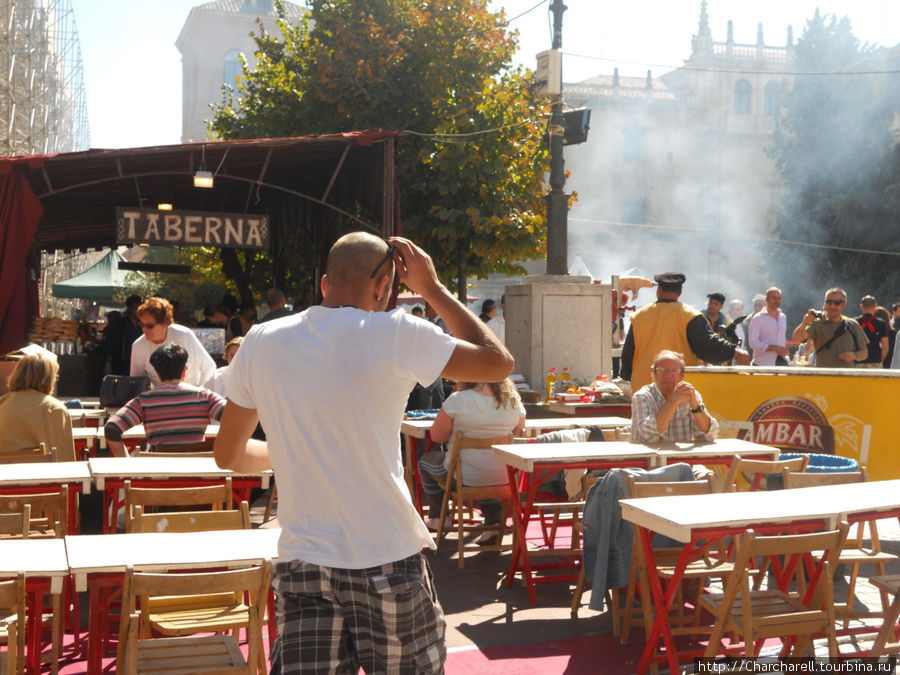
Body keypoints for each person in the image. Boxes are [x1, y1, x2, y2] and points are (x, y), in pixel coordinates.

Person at [213, 232, 513, 673]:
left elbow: (229, 456)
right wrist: (432, 288)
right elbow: (498, 363)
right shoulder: (396, 332)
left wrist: (303, 449)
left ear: (323, 284)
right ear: (384, 288)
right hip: (386, 554)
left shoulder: (260, 339)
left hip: (304, 561)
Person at [418, 379, 525, 537]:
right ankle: (493, 521)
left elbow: (437, 437)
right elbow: (519, 431)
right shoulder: (513, 398)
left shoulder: (458, 399)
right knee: (486, 465)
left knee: (425, 461)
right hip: (504, 477)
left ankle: (438, 517)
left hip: (465, 478)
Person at [619, 272, 749, 392]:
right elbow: (708, 347)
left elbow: (628, 355)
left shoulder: (639, 316)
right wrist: (734, 352)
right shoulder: (690, 315)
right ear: (680, 292)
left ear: (659, 291)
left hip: (644, 389)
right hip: (678, 390)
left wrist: (626, 377)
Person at [107, 343, 225, 456]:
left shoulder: (144, 400)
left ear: (158, 373)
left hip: (157, 472)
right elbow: (236, 417)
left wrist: (124, 459)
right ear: (185, 370)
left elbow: (112, 428)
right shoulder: (205, 397)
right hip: (200, 470)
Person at [0, 352, 76, 461]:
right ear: (49, 379)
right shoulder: (55, 409)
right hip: (39, 475)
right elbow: (65, 461)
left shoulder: (2, 403)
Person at [630, 350, 718, 443]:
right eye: (662, 370)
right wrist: (673, 401)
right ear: (654, 374)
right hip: (649, 456)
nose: (667, 375)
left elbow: (709, 436)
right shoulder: (642, 396)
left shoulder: (689, 394)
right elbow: (648, 436)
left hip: (680, 457)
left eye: (674, 371)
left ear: (682, 375)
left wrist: (695, 405)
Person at [129, 296, 217, 388]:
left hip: (193, 396)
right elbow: (136, 383)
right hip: (161, 399)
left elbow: (209, 367)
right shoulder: (138, 346)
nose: (144, 329)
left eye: (150, 326)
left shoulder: (184, 335)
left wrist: (200, 394)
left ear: (165, 323)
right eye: (142, 324)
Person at [791, 287, 867, 368]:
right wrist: (804, 323)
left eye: (837, 303)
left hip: (846, 378)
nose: (832, 306)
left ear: (844, 304)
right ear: (824, 303)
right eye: (829, 302)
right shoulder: (816, 323)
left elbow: (865, 353)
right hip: (823, 377)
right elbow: (796, 339)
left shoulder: (852, 324)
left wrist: (854, 355)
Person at [748, 287, 789, 366]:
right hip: (763, 364)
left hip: (781, 362)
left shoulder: (783, 317)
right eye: (774, 298)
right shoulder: (757, 318)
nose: (777, 301)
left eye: (779, 298)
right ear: (766, 299)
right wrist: (773, 348)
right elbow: (753, 343)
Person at [855, 295, 889, 368]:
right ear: (875, 306)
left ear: (861, 306)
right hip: (875, 361)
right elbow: (885, 346)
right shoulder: (881, 323)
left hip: (858, 361)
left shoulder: (854, 322)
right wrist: (881, 360)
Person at [120, 294, 143, 376]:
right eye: (135, 308)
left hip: (140, 363)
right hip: (123, 363)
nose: (138, 311)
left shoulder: (143, 325)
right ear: (129, 309)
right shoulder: (120, 325)